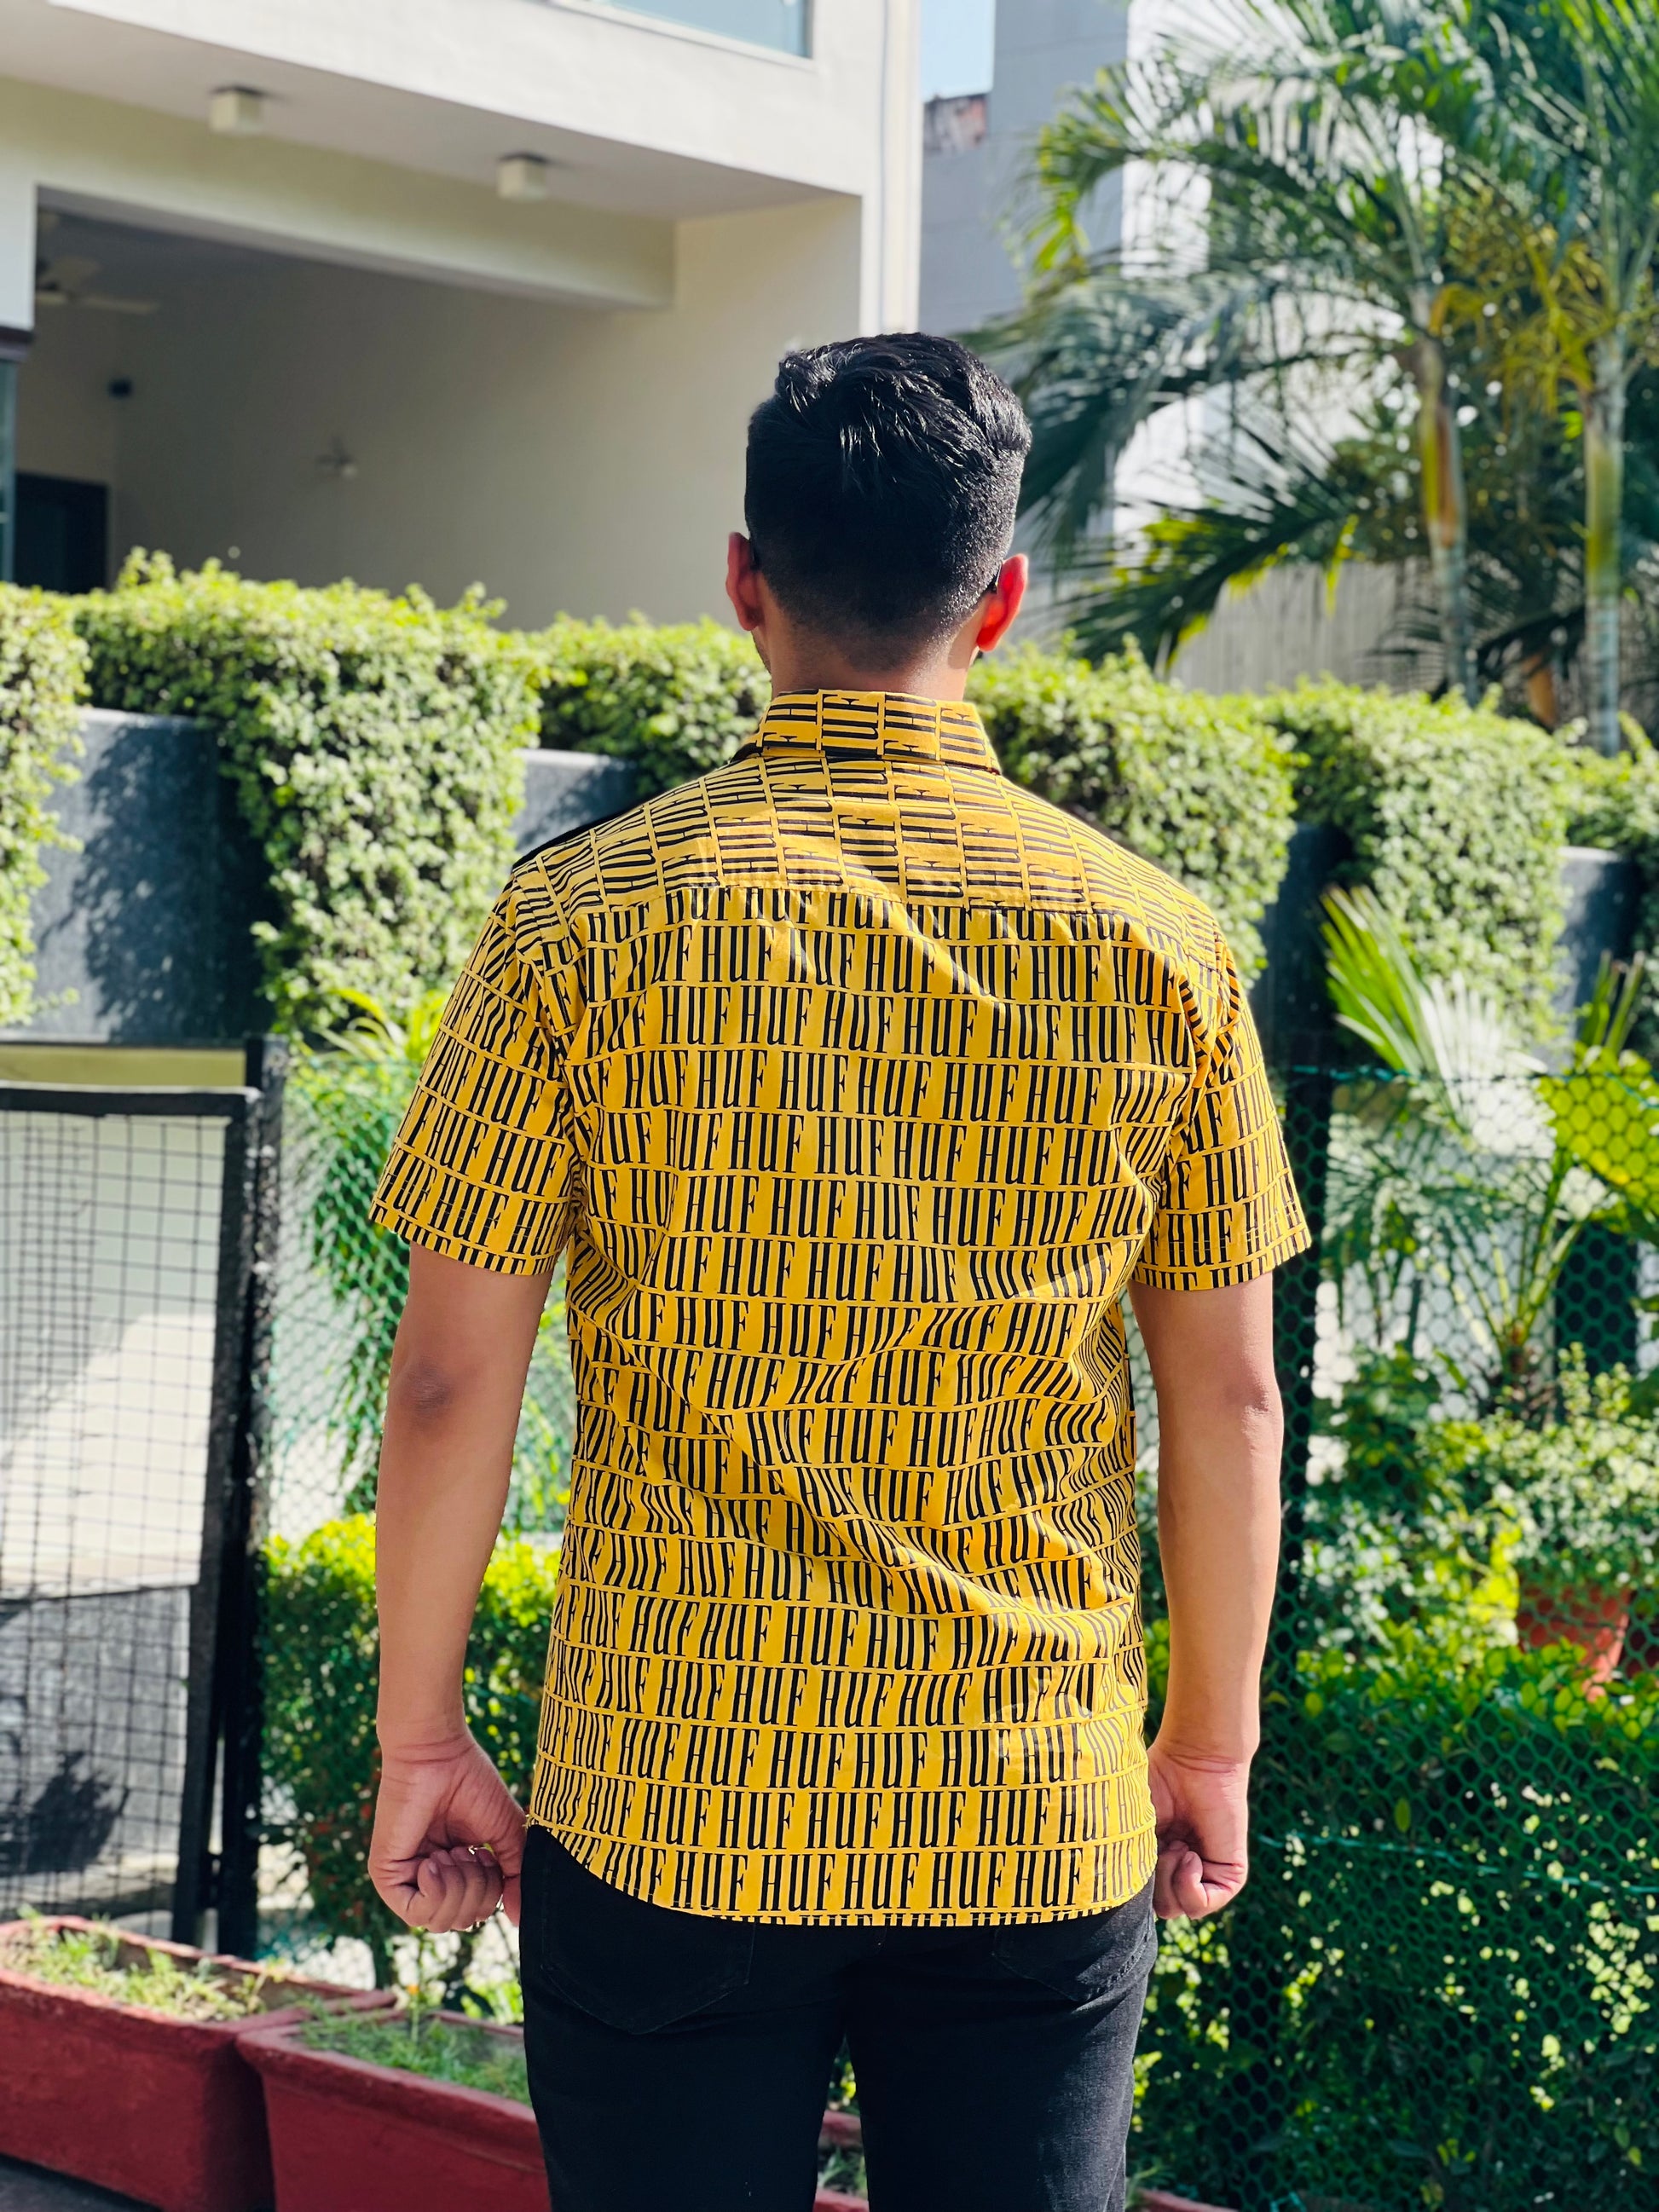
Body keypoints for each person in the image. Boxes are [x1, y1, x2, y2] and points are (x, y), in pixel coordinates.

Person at [365, 332, 1307, 2212]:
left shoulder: (578, 924)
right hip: (1025, 1804)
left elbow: (451, 1379)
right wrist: (1208, 1741)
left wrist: (419, 1738)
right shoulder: (1161, 945)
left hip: (670, 1795)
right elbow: (1230, 1398)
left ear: (744, 581)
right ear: (1002, 599)